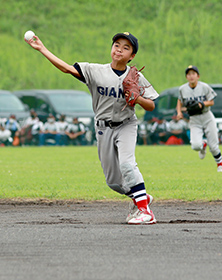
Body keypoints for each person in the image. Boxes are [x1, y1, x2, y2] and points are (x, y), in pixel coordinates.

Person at [25, 31, 159, 224]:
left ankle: (145, 212)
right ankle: (142, 198)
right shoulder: (95, 71)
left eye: (126, 47)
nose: (119, 49)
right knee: (113, 182)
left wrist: (136, 98)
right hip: (103, 128)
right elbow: (67, 69)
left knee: (127, 165)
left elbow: (152, 105)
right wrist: (42, 49)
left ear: (132, 56)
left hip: (126, 125)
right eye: (117, 45)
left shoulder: (135, 76)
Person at [176, 65, 222, 172]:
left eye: (193, 74)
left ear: (198, 76)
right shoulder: (183, 89)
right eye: (189, 74)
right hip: (194, 119)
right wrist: (179, 112)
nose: (191, 76)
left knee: (214, 146)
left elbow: (211, 101)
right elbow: (179, 101)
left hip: (207, 116)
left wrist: (201, 104)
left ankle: (220, 165)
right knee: (195, 146)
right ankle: (203, 145)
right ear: (186, 77)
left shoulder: (204, 87)